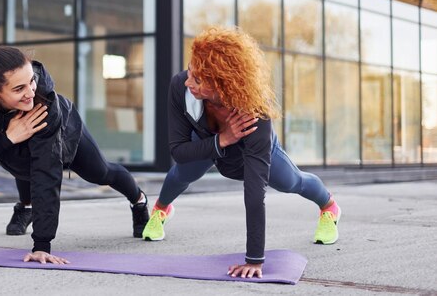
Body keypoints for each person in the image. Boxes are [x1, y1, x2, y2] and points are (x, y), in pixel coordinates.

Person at [141, 27, 341, 279]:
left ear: (223, 83)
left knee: (293, 182)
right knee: (182, 174)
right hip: (208, 143)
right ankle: (161, 209)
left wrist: (254, 260)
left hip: (248, 153)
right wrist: (222, 139)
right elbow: (179, 151)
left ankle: (329, 207)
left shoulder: (255, 113)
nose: (188, 82)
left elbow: (255, 189)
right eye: (190, 72)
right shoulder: (180, 86)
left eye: (199, 80)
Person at [0, 45, 149, 264]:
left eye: (31, 80)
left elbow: (46, 171)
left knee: (101, 172)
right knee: (18, 159)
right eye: (19, 88)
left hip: (65, 133)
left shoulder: (44, 103)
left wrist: (42, 245)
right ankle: (26, 207)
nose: (30, 92)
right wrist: (7, 138)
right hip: (10, 142)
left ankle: (139, 200)